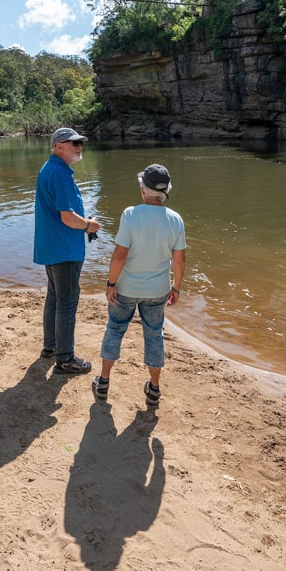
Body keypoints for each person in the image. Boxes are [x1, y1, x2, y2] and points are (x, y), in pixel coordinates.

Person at [93, 163, 186, 405]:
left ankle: (103, 381)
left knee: (115, 328)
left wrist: (110, 283)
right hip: (157, 291)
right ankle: (154, 388)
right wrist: (176, 287)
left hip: (126, 288)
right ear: (166, 191)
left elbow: (120, 255)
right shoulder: (175, 219)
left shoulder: (131, 214)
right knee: (154, 334)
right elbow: (179, 260)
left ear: (143, 189)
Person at [33, 127, 100, 374]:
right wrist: (89, 225)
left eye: (80, 142)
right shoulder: (60, 173)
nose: (79, 146)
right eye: (74, 143)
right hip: (64, 248)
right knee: (67, 302)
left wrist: (83, 222)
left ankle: (51, 347)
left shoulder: (49, 168)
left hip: (52, 246)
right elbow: (67, 217)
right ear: (58, 146)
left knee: (55, 296)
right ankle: (65, 359)